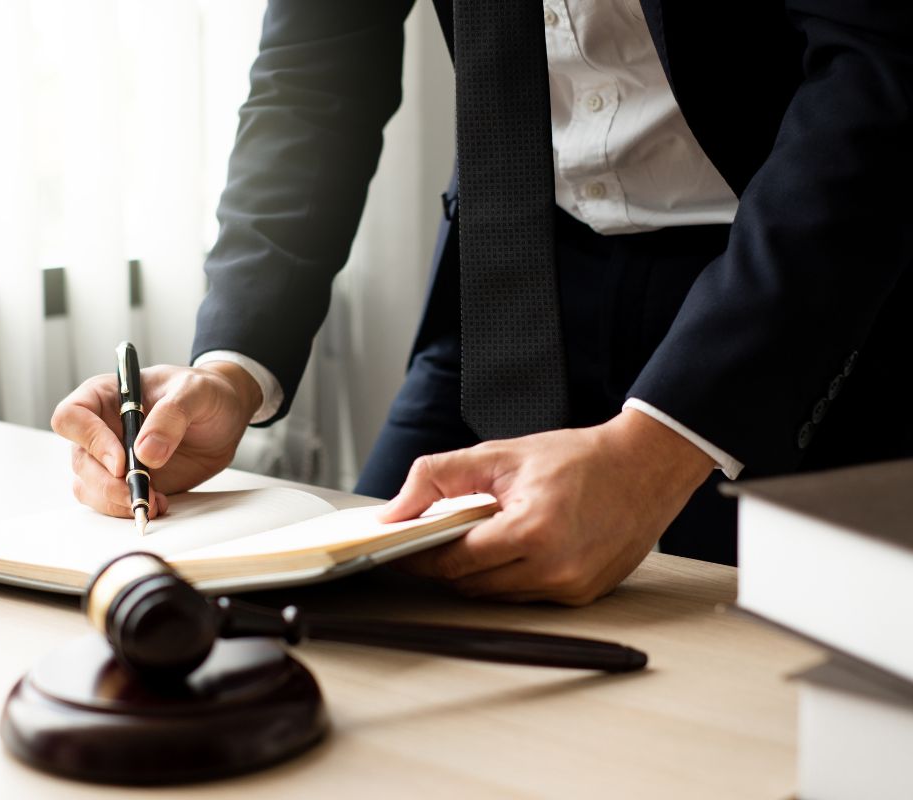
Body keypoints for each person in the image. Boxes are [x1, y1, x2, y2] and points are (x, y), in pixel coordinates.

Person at [53, 1, 913, 605]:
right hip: (510, 273)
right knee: (353, 625)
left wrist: (658, 452)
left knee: (753, 695)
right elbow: (310, 84)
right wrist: (230, 369)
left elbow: (879, 72)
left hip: (792, 283)